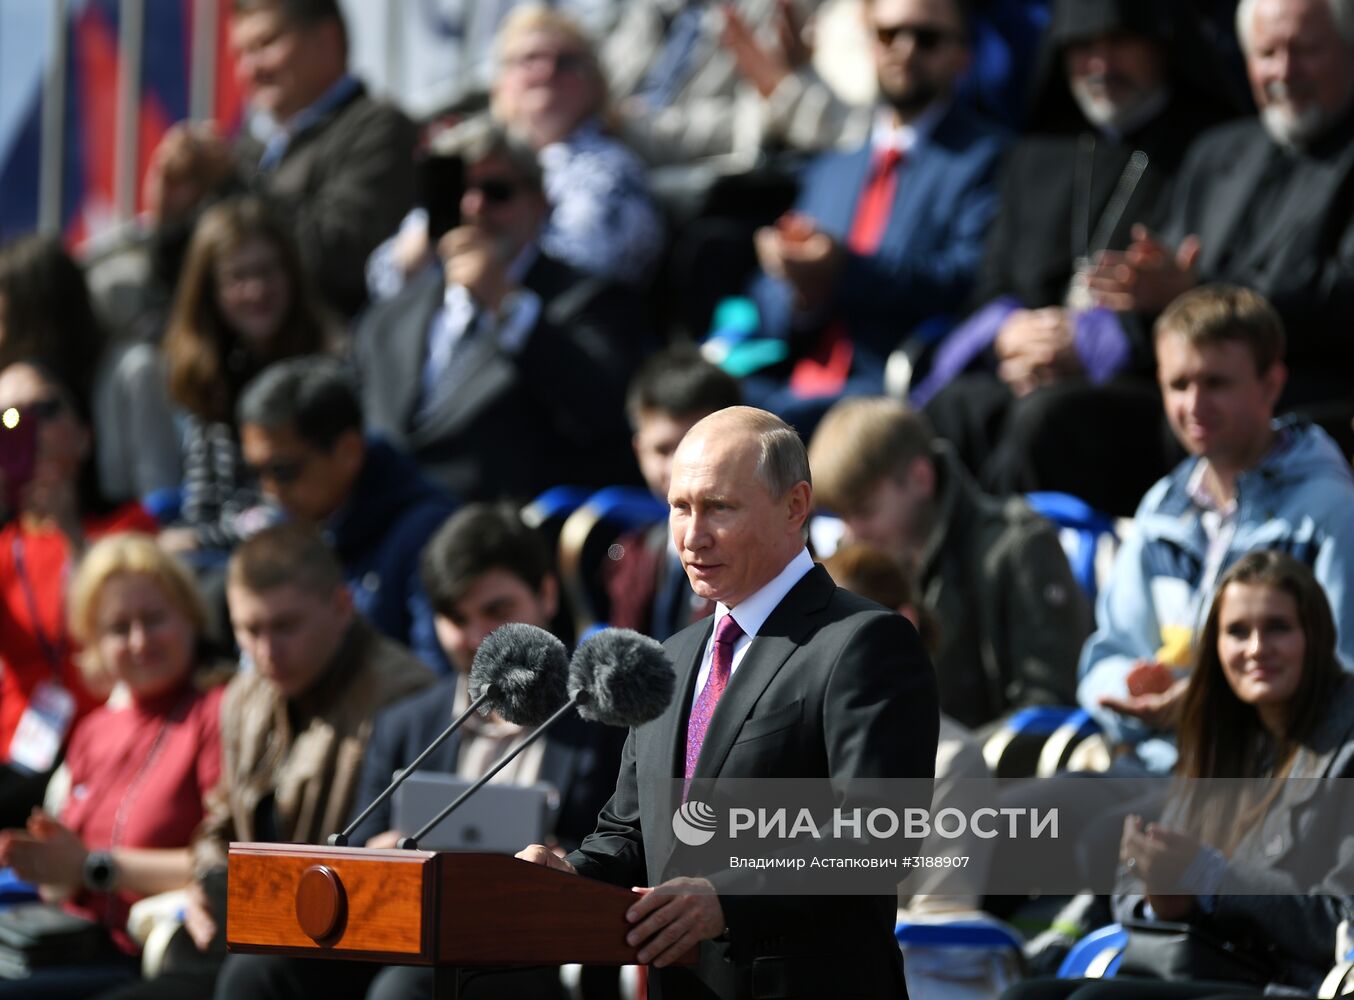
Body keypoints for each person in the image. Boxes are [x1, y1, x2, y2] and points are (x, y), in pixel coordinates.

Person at [517, 405, 940, 999]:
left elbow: (878, 837)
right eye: (679, 508)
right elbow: (633, 833)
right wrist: (570, 877)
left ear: (795, 506)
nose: (692, 535)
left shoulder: (864, 642)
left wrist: (728, 900)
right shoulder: (668, 657)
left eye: (719, 508)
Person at [214, 504, 627, 1000]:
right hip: (407, 937)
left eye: (497, 610)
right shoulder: (408, 725)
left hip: (533, 952)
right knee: (258, 975)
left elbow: (622, 853)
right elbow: (353, 852)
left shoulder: (603, 725)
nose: (477, 638)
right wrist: (381, 856)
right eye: (455, 617)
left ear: (546, 594)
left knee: (405, 990)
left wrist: (569, 869)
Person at [918, 0, 1235, 516]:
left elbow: (1212, 288)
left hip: (1144, 381)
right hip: (1027, 369)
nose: (1101, 64)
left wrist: (1094, 344)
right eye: (1084, 47)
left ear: (1160, 44)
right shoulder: (1036, 155)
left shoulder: (1213, 152)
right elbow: (992, 283)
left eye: (1119, 43)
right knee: (956, 407)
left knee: (1046, 419)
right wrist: (1011, 336)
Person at [1005, 550, 1354, 999]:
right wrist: (1158, 896)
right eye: (1237, 631)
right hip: (1203, 962)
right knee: (1023, 996)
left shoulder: (1345, 745)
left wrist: (1213, 882)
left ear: (1316, 635)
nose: (1255, 648)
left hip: (1294, 981)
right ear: (1215, 645)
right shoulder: (1220, 731)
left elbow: (1341, 923)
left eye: (1278, 628)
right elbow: (1132, 889)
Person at [107, 524, 433, 1000]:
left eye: (285, 626)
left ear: (341, 606)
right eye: (249, 631)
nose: (266, 651)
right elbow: (220, 824)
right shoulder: (244, 696)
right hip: (243, 930)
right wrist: (206, 879)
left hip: (335, 955)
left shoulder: (405, 699)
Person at [1084, 0, 1354, 449]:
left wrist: (1201, 290)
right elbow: (1165, 277)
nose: (1285, 71)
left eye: (1306, 50)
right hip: (1186, 382)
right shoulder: (1216, 151)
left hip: (1302, 392)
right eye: (1267, 54)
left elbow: (1343, 295)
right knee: (1056, 416)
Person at [738, 0, 1008, 430]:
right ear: (870, 45)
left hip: (890, 388)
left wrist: (843, 269)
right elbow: (764, 300)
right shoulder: (833, 167)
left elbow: (968, 282)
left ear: (963, 57)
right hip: (792, 379)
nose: (905, 48)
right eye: (888, 34)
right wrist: (800, 289)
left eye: (927, 37)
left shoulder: (988, 159)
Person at [356, 121, 645, 502]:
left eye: (497, 192)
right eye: (456, 190)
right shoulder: (389, 318)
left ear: (541, 202)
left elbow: (608, 416)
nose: (474, 207)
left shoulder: (590, 299)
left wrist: (507, 306)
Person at [0, 534, 226, 998]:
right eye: (120, 628)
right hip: (70, 943)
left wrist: (92, 866)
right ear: (95, 643)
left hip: (162, 958)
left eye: (155, 619)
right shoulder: (94, 728)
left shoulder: (218, 714)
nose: (140, 640)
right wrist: (48, 864)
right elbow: (62, 885)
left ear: (190, 616)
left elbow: (224, 863)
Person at [808, 395, 1089, 730]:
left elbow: (1047, 705)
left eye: (865, 510)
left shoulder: (1019, 550)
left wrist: (950, 762)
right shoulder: (856, 564)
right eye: (841, 515)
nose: (852, 535)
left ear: (921, 478)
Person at [140, 0, 416, 319]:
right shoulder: (248, 151)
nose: (248, 70)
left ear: (325, 39)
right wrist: (173, 223)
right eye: (240, 54)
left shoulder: (377, 128)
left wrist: (233, 183)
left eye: (265, 44)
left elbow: (342, 258)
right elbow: (179, 304)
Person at [368, 5, 663, 298]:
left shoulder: (608, 169)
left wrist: (484, 262)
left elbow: (582, 274)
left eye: (566, 62)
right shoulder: (463, 157)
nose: (546, 71)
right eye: (529, 59)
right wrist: (431, 240)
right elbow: (385, 278)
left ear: (596, 86)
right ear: (498, 84)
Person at [0, 362, 159, 827]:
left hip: (109, 743)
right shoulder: (6, 546)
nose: (29, 428)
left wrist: (71, 533)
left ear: (85, 435)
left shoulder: (129, 525)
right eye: (8, 420)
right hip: (21, 754)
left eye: (45, 410)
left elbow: (125, 614)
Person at [236, 357, 456, 671]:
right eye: (255, 472)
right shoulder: (283, 532)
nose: (270, 489)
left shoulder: (427, 534)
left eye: (283, 471)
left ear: (349, 452)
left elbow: (437, 687)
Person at [820, 541, 994, 916]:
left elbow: (943, 922)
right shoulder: (785, 742)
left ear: (906, 623)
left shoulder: (952, 762)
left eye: (841, 637)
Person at [154, 196, 333, 557]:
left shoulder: (324, 367)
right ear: (210, 291)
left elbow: (299, 506)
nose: (257, 290)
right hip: (225, 555)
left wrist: (202, 539)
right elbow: (202, 505)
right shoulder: (208, 370)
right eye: (238, 277)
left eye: (268, 271)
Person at [0, 235, 180, 506]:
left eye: (2, 319)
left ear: (35, 320)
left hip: (125, 539)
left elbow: (160, 495)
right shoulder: (13, 390)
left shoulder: (133, 371)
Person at [605, 345, 742, 639]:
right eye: (663, 449)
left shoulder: (759, 555)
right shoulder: (632, 553)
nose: (681, 465)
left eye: (694, 444)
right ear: (639, 451)